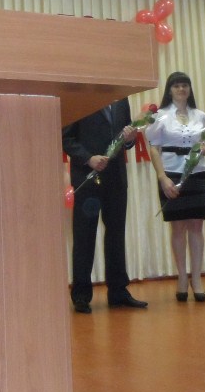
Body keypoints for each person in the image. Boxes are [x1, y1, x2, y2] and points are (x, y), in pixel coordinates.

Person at [63, 100, 147, 313]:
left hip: (116, 177)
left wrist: (130, 139)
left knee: (116, 234)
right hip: (87, 177)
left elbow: (125, 138)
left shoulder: (121, 100)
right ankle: (81, 294)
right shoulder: (80, 97)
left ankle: (118, 291)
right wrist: (88, 158)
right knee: (84, 235)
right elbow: (66, 137)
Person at [146, 72, 205, 302]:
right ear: (169, 90)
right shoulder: (160, 116)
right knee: (177, 228)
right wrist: (162, 177)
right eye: (176, 86)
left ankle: (197, 278)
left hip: (198, 172)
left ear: (190, 89)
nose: (181, 89)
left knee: (196, 227)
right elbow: (154, 148)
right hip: (171, 173)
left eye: (185, 85)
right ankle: (182, 277)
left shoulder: (201, 116)